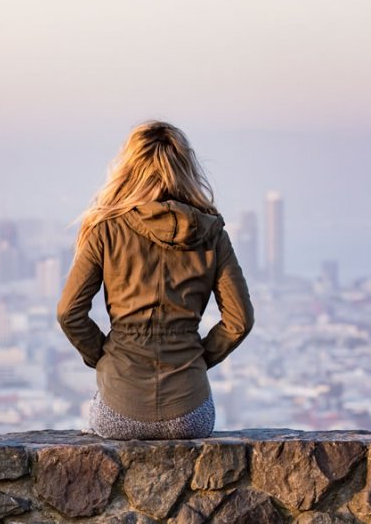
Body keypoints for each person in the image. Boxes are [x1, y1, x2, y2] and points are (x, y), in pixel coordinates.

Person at [56, 120, 254, 440]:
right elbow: (240, 321)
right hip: (191, 413)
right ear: (186, 168)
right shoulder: (213, 233)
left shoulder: (105, 230)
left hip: (119, 408)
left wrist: (105, 357)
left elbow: (68, 313)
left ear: (128, 169)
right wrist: (198, 359)